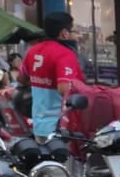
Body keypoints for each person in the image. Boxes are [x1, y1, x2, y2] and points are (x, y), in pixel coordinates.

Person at [21, 11, 85, 140]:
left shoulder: (33, 51)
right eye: (73, 31)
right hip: (60, 127)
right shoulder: (65, 54)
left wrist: (40, 82)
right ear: (64, 33)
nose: (76, 35)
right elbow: (64, 89)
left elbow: (21, 78)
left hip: (39, 125)